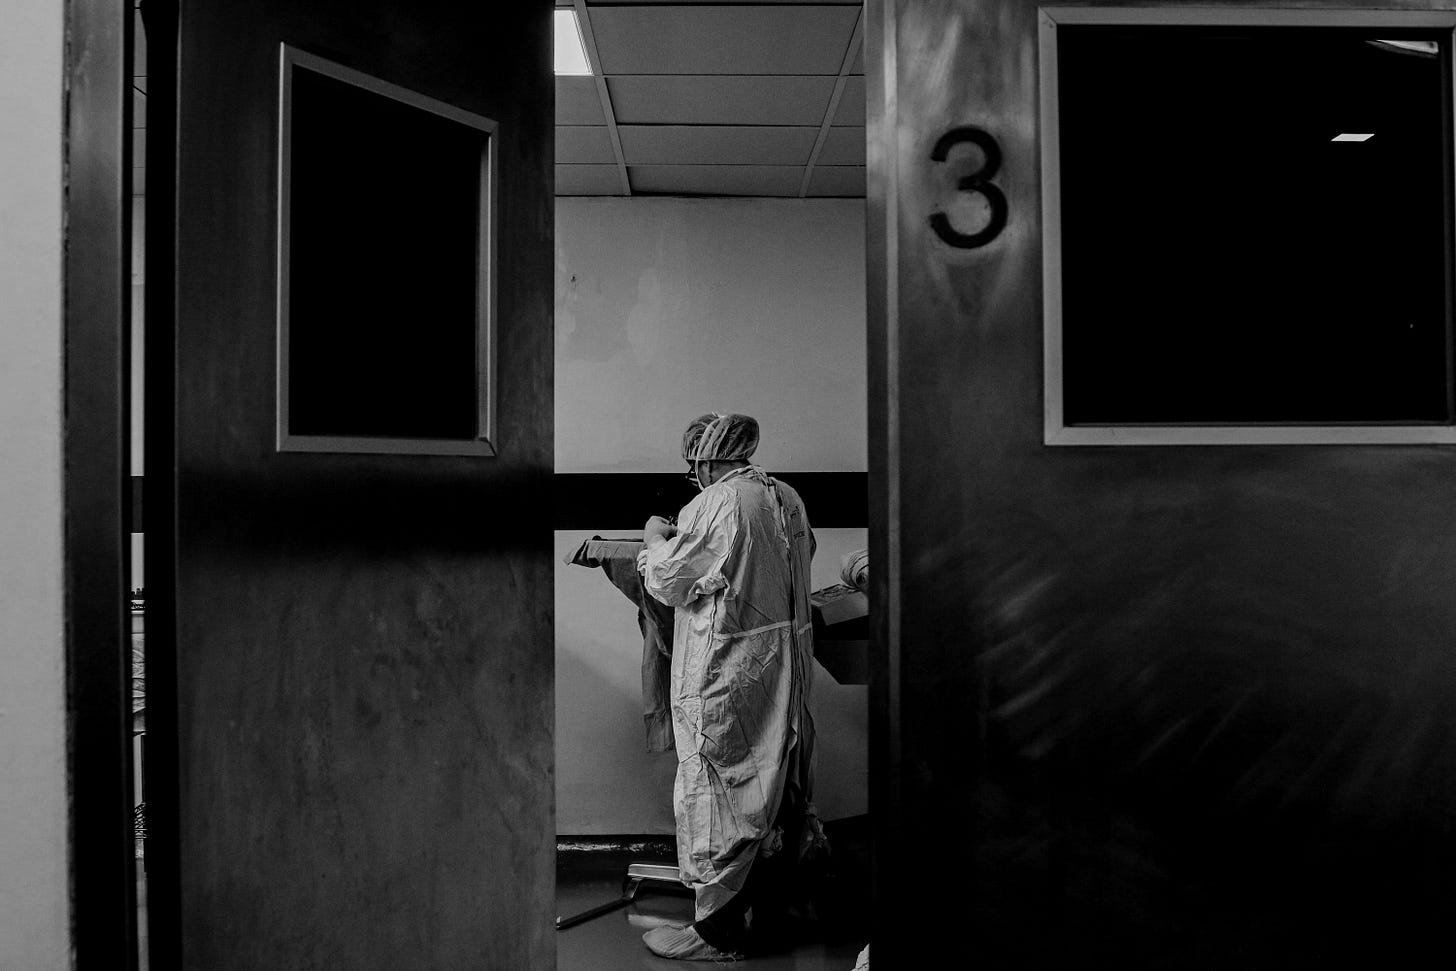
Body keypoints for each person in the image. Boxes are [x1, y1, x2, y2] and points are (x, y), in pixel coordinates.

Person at [637, 412, 825, 961]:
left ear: (704, 458)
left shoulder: (715, 502)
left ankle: (717, 934)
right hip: (782, 666)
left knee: (719, 786)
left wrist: (654, 536)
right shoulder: (786, 496)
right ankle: (769, 910)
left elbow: (669, 578)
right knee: (773, 779)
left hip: (727, 671)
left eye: (692, 465)